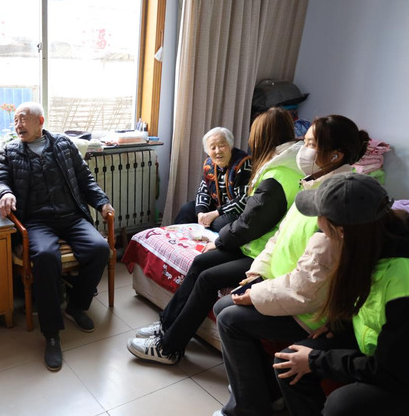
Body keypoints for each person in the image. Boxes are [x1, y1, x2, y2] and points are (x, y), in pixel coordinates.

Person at [211, 115, 370, 416]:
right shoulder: (310, 186)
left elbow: (307, 287)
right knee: (223, 306)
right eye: (303, 141)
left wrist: (256, 295)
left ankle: (248, 407)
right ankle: (264, 392)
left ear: (335, 156)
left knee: (230, 319)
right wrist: (256, 274)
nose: (301, 150)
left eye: (310, 144)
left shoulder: (336, 204)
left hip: (310, 309)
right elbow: (279, 238)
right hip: (286, 286)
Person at [128, 107, 303, 364]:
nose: (251, 142)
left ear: (264, 138)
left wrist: (219, 240)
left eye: (254, 136)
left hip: (263, 252)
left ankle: (170, 347)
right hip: (255, 244)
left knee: (208, 278)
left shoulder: (277, 174)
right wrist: (212, 229)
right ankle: (167, 324)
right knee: (200, 262)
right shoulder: (282, 167)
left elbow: (249, 222)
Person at [0, 102, 115, 372]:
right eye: (15, 120)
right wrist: (5, 193)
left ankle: (76, 306)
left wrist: (102, 202)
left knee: (99, 249)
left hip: (71, 216)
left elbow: (85, 178)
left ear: (40, 121)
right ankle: (51, 334)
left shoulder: (63, 144)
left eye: (23, 119)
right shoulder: (10, 150)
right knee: (47, 257)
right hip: (37, 221)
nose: (18, 125)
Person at [273, 174, 409, 416]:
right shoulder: (372, 244)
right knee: (289, 361)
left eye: (321, 221)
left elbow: (390, 370)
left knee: (341, 404)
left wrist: (316, 360)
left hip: (397, 371)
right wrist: (341, 323)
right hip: (379, 346)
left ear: (341, 231)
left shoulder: (402, 278)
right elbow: (371, 304)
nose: (318, 227)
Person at [173, 127, 252, 232]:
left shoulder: (244, 163)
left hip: (236, 212)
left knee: (221, 223)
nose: (218, 151)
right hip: (216, 208)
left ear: (230, 145)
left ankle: (208, 236)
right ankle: (179, 238)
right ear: (208, 151)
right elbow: (203, 191)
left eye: (222, 146)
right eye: (213, 147)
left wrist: (215, 214)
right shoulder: (209, 164)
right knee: (187, 210)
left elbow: (244, 200)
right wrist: (201, 213)